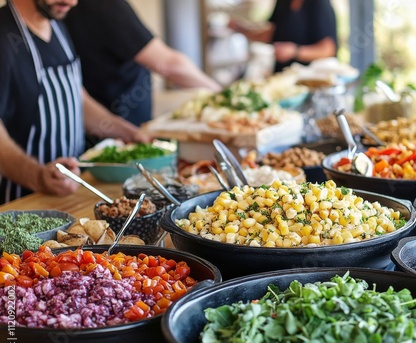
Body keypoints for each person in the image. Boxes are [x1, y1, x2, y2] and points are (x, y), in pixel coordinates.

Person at [0, 0, 150, 204]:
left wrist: (128, 133)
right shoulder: (4, 36)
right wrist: (38, 177)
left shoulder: (57, 26)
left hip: (72, 192)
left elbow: (77, 99)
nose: (71, 2)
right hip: (22, 203)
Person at [64, 0, 222, 127]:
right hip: (120, 124)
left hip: (100, 124)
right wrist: (221, 94)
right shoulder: (106, 6)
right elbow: (169, 64)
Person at [230, 0, 338, 73]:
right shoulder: (283, 2)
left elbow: (328, 50)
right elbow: (270, 34)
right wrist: (240, 29)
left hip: (310, 80)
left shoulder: (319, 4)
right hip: (283, 76)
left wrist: (295, 51)